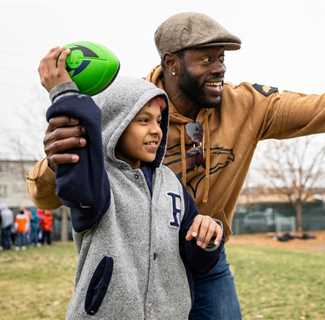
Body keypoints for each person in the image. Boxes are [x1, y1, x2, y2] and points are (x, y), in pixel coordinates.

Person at [27, 12, 325, 320]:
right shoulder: (131, 108)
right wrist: (56, 157)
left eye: (222, 58)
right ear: (170, 64)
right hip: (131, 259)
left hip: (205, 257)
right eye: (206, 58)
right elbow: (59, 187)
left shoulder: (247, 106)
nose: (219, 68)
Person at [36, 48, 224, 319]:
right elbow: (80, 138)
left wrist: (207, 237)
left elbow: (197, 260)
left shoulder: (170, 182)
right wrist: (64, 92)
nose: (156, 130)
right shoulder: (97, 180)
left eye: (159, 121)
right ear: (115, 122)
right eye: (143, 120)